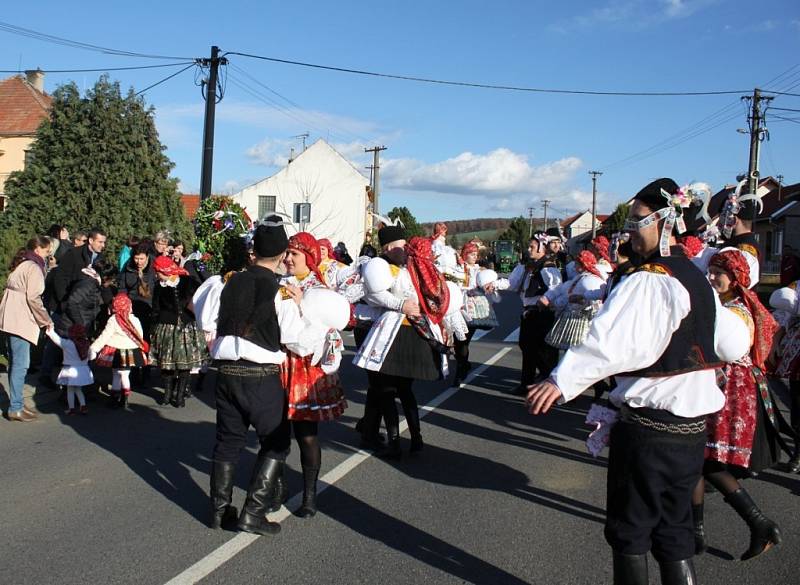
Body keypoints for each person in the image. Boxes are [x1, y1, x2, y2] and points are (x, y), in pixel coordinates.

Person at [527, 178, 750, 585]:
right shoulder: (697, 277)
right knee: (675, 531)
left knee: (631, 531)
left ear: (665, 222)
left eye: (637, 220)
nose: (629, 229)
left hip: (650, 428)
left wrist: (562, 380)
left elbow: (612, 341)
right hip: (691, 430)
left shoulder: (650, 278)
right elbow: (733, 343)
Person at [208, 217, 309, 535]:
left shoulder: (228, 282)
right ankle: (252, 514)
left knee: (228, 442)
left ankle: (219, 512)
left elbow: (208, 320)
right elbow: (298, 340)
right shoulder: (280, 292)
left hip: (225, 372)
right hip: (260, 374)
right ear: (282, 255)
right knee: (277, 442)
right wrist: (302, 306)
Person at [691, 249, 782, 561]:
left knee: (706, 459)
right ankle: (697, 532)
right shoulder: (734, 304)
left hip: (730, 390)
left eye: (719, 273)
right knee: (701, 460)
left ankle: (758, 523)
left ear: (736, 278)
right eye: (711, 270)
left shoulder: (737, 310)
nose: (712, 277)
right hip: (722, 385)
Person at [354, 226, 450, 459]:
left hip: (401, 333)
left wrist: (403, 306)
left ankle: (403, 440)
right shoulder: (398, 266)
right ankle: (406, 439)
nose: (401, 249)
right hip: (403, 332)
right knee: (395, 390)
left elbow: (379, 295)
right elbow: (375, 294)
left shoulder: (404, 267)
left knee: (393, 390)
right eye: (398, 245)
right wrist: (404, 305)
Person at [280, 232, 349, 517]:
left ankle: (309, 494)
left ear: (307, 258)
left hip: (305, 367)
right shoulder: (279, 283)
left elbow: (318, 332)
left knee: (306, 434)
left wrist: (299, 306)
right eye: (286, 254)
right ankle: (276, 488)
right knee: (276, 433)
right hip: (279, 362)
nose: (287, 259)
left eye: (293, 255)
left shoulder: (318, 290)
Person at [0, 236, 53, 421]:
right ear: (38, 249)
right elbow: (34, 298)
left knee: (16, 363)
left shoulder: (23, 263)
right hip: (20, 320)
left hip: (11, 318)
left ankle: (17, 404)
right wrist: (45, 320)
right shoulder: (33, 267)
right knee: (20, 365)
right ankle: (15, 407)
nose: (49, 256)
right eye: (47, 252)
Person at [508, 231, 565, 395]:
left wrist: (547, 298)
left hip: (542, 313)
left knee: (543, 352)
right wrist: (495, 284)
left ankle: (551, 384)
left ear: (542, 247)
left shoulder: (548, 267)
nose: (528, 249)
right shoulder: (529, 266)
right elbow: (513, 284)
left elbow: (557, 287)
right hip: (529, 313)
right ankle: (526, 383)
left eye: (532, 246)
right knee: (527, 347)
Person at [150, 255, 206, 407]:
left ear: (164, 270)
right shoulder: (158, 286)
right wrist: (154, 328)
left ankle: (180, 395)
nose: (156, 274)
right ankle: (167, 393)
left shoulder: (188, 281)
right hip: (167, 327)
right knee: (167, 363)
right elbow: (156, 308)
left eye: (158, 271)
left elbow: (200, 299)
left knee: (184, 363)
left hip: (187, 326)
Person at [454, 241, 503, 382]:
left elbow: (488, 283)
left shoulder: (479, 270)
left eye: (476, 254)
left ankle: (460, 371)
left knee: (463, 340)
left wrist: (489, 286)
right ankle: (463, 364)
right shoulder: (457, 269)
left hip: (474, 309)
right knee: (459, 342)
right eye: (472, 254)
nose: (475, 257)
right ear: (465, 254)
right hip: (459, 306)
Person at [91, 293, 149, 409]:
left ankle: (114, 398)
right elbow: (140, 335)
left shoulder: (113, 320)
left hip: (116, 351)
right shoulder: (135, 319)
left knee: (116, 375)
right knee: (125, 375)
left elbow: (105, 336)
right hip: (131, 351)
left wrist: (94, 348)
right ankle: (125, 399)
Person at [769, 275, 800, 472]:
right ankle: (799, 452)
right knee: (798, 403)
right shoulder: (797, 286)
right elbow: (782, 313)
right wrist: (774, 340)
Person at [53, 227, 107, 314]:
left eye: (104, 242)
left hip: (87, 307)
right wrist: (65, 302)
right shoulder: (73, 254)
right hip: (68, 304)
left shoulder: (101, 257)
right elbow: (60, 278)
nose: (103, 245)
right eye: (100, 242)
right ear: (91, 240)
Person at [46, 323, 93, 414]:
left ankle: (71, 409)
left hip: (70, 370)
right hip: (82, 370)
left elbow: (57, 339)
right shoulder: (86, 344)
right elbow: (91, 356)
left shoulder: (68, 344)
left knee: (70, 390)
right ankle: (83, 406)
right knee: (79, 389)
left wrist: (50, 331)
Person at [117, 243, 156, 343]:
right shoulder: (128, 266)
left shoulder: (154, 267)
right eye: (136, 258)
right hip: (132, 305)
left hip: (149, 305)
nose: (139, 262)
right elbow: (122, 287)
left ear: (147, 257)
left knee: (146, 334)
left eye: (141, 259)